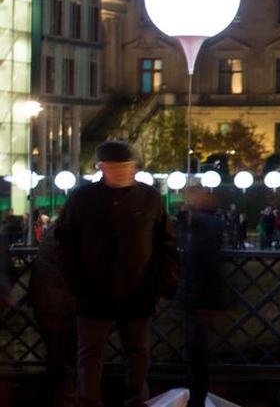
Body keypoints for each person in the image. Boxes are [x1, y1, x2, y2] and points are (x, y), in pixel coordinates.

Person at [56, 140, 179, 407]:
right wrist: (75, 281)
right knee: (103, 352)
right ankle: (96, 401)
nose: (126, 172)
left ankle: (130, 400)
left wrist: (162, 282)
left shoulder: (146, 198)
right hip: (103, 290)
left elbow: (166, 244)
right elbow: (64, 242)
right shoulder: (87, 198)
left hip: (129, 289)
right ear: (103, 168)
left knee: (127, 353)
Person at [177, 187, 228, 407]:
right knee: (197, 353)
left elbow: (202, 263)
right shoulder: (209, 224)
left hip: (197, 297)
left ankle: (196, 399)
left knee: (195, 353)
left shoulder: (198, 225)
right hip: (201, 297)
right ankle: (197, 397)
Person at [29, 220, 78, 407]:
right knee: (67, 358)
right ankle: (65, 398)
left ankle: (57, 397)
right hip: (62, 306)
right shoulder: (75, 230)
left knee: (56, 358)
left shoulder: (58, 229)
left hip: (47, 302)